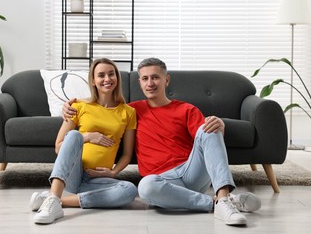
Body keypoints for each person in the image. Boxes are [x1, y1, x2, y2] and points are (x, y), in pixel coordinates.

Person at [63, 57, 261, 226]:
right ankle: (217, 203)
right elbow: (101, 109)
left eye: (155, 77)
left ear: (167, 80)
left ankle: (224, 196)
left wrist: (220, 126)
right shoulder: (130, 111)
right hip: (160, 183)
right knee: (145, 186)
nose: (150, 83)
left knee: (210, 126)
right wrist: (68, 107)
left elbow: (207, 140)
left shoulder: (186, 109)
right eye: (145, 79)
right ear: (139, 82)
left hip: (190, 172)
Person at [30, 58, 137, 224]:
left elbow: (127, 154)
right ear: (93, 81)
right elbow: (59, 147)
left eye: (111, 74)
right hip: (75, 173)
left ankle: (54, 200)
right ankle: (53, 200)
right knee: (73, 135)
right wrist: (87, 136)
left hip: (98, 179)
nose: (107, 79)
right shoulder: (78, 106)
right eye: (101, 75)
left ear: (117, 77)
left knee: (129, 190)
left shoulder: (128, 112)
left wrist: (114, 172)